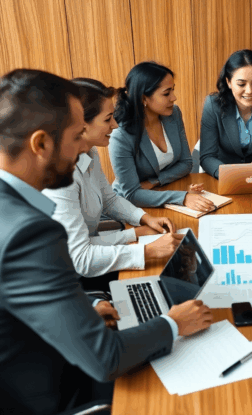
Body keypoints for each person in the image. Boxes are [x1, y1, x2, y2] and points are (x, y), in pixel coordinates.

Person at [0, 69, 213, 414]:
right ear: (41, 144)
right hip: (53, 393)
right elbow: (106, 359)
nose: (85, 145)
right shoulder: (28, 233)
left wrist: (83, 305)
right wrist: (175, 323)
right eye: (76, 136)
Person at [43, 78, 184, 280]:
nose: (116, 125)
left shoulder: (89, 152)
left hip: (92, 255)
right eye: (108, 119)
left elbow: (109, 199)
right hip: (67, 281)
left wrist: (144, 219)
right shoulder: (60, 181)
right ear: (81, 125)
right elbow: (81, 259)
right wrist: (148, 251)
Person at [110, 61, 214, 211]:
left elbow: (186, 163)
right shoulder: (121, 136)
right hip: (131, 207)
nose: (174, 97)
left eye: (173, 90)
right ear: (143, 98)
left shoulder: (174, 114)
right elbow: (132, 194)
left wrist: (155, 182)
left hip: (162, 191)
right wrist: (182, 198)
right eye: (166, 93)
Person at [200, 49, 252, 178]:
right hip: (225, 176)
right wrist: (227, 174)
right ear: (229, 82)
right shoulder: (213, 105)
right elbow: (207, 157)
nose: (249, 91)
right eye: (241, 84)